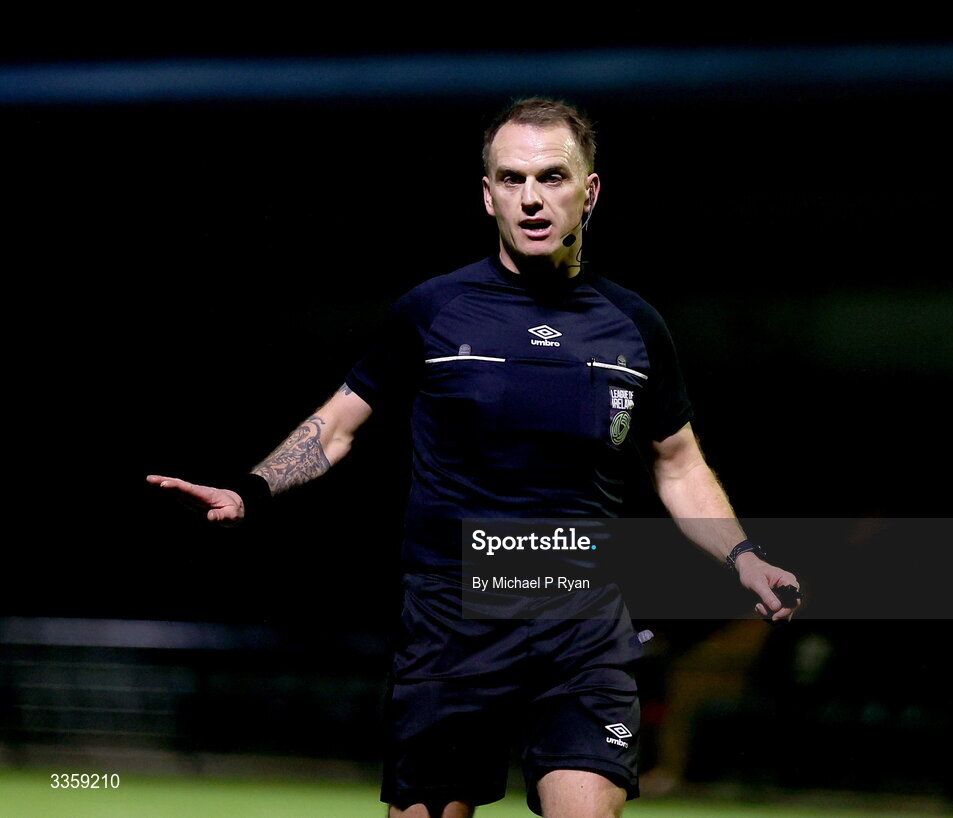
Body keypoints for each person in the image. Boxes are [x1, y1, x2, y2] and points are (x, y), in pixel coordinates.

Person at [148, 97, 801, 818]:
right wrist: (252, 491)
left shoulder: (635, 326)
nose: (531, 199)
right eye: (512, 179)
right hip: (451, 622)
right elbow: (336, 426)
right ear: (486, 194)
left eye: (552, 177)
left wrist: (743, 556)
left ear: (589, 191)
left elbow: (676, 464)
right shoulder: (433, 310)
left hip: (579, 621)